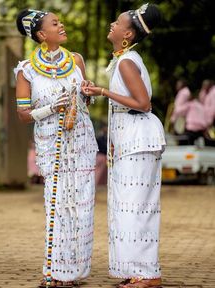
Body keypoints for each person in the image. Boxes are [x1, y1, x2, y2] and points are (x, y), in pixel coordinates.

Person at [82, 3, 165, 288]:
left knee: (136, 207)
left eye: (116, 23)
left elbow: (143, 104)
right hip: (131, 137)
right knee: (128, 207)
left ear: (127, 34)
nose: (111, 25)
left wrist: (104, 91)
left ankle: (148, 274)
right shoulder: (125, 59)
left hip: (139, 137)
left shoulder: (128, 61)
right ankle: (137, 270)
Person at [14, 9, 98, 288]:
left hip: (81, 142)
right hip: (51, 144)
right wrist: (52, 108)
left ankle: (73, 273)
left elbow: (85, 104)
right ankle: (54, 272)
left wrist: (87, 94)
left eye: (60, 22)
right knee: (56, 204)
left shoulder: (76, 61)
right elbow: (23, 116)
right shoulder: (26, 70)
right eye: (55, 23)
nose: (61, 26)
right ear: (41, 34)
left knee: (80, 206)